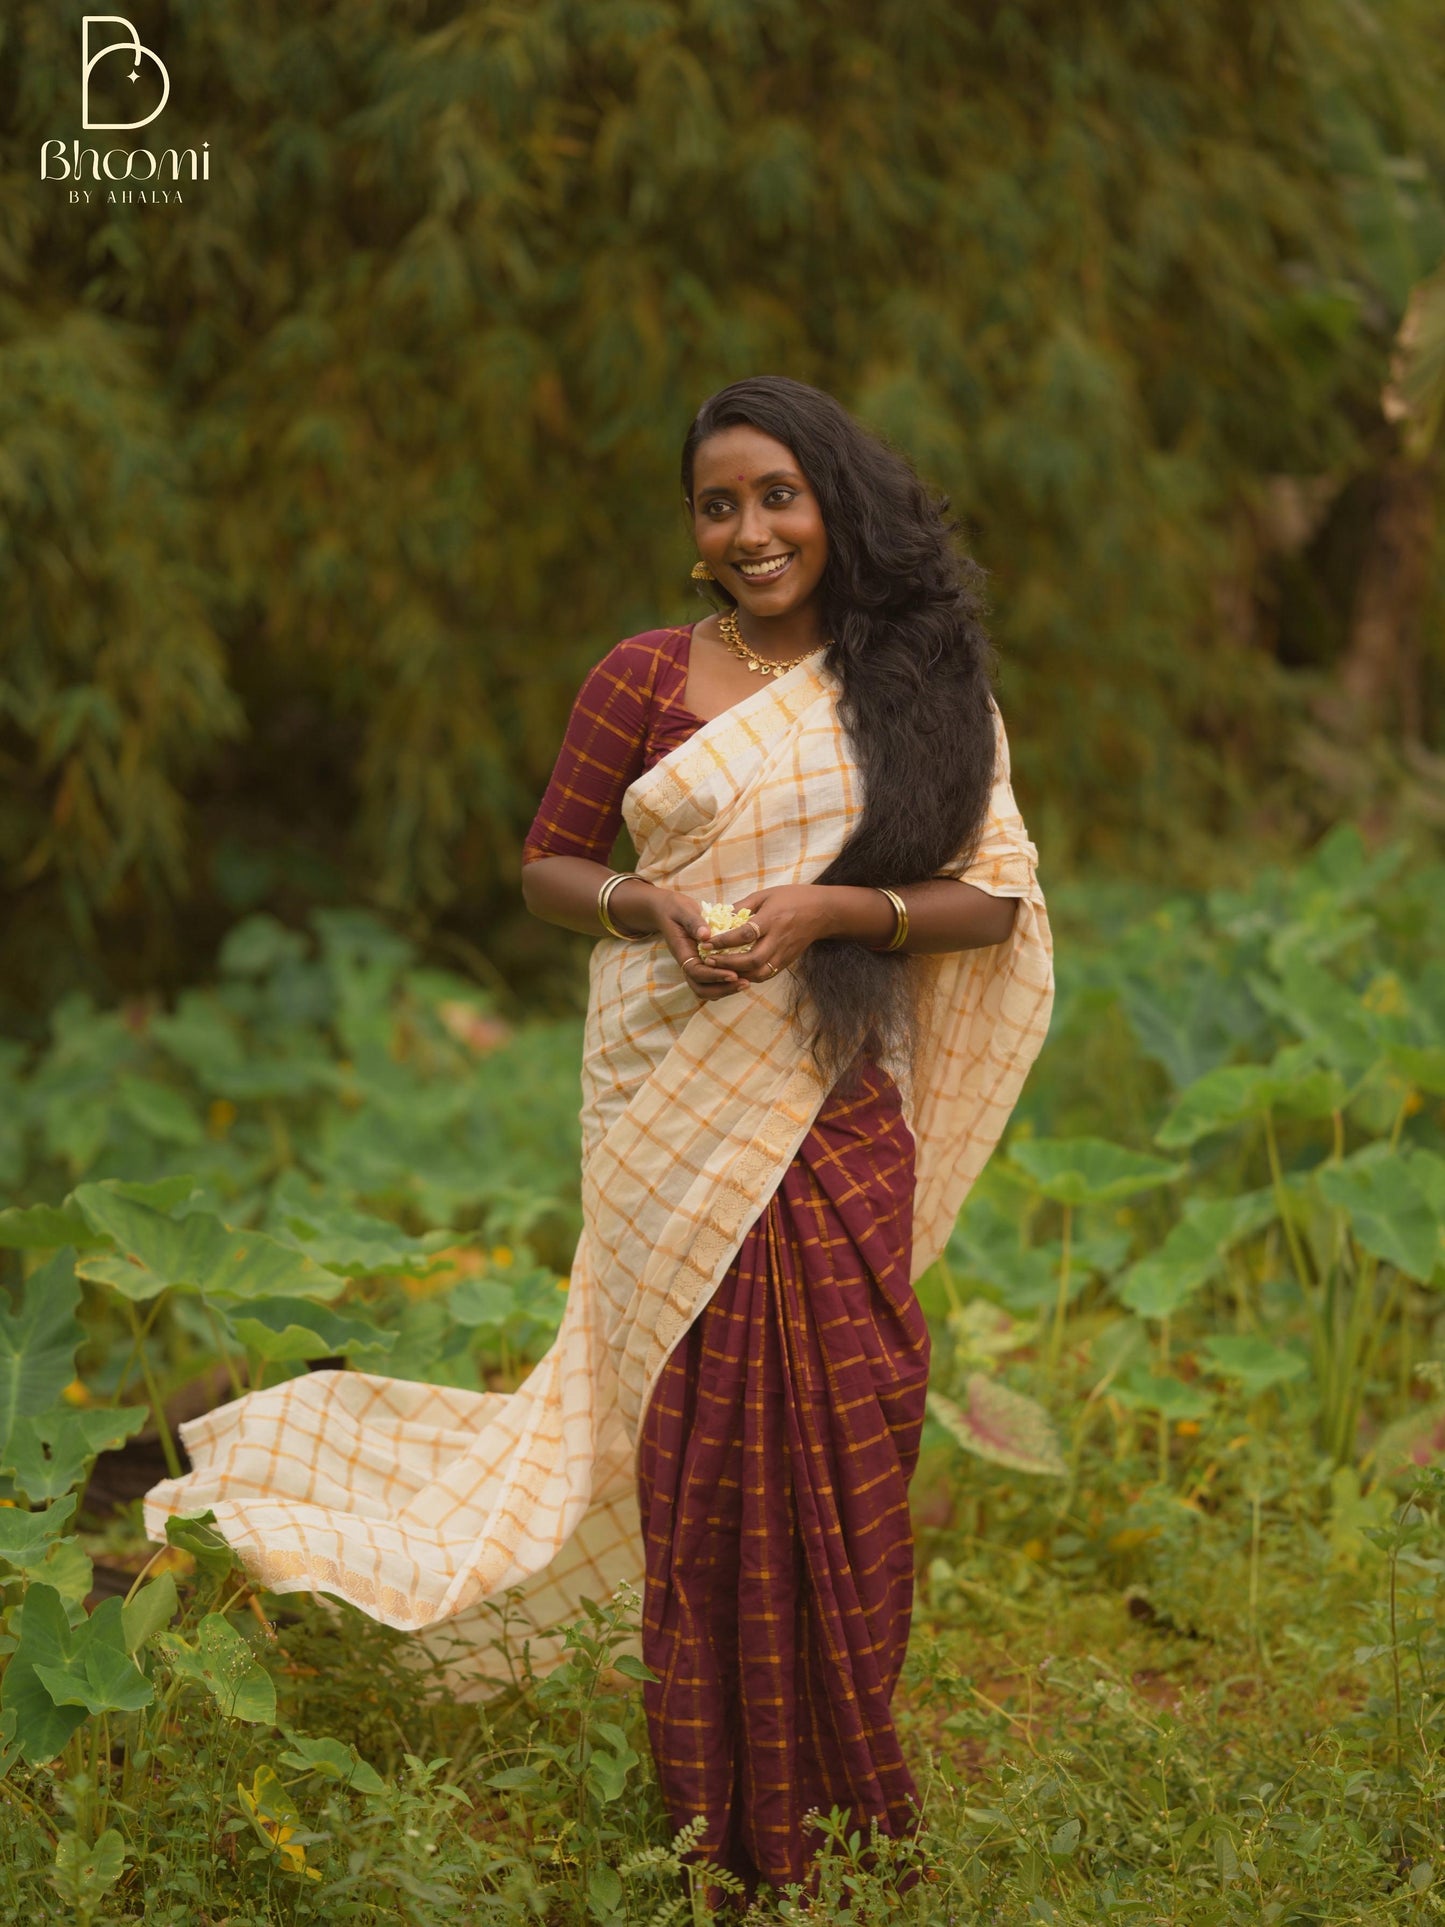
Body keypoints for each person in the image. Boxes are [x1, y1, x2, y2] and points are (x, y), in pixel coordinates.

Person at [143, 375, 1053, 1901]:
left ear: (833, 499)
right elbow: (550, 867)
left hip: (837, 1115)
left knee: (846, 1439)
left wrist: (833, 909)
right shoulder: (642, 676)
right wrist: (656, 910)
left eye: (777, 493)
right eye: (719, 504)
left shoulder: (917, 688)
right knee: (698, 1464)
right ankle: (713, 1827)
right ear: (693, 536)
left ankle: (849, 1810)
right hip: (671, 1118)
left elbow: (995, 897)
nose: (751, 528)